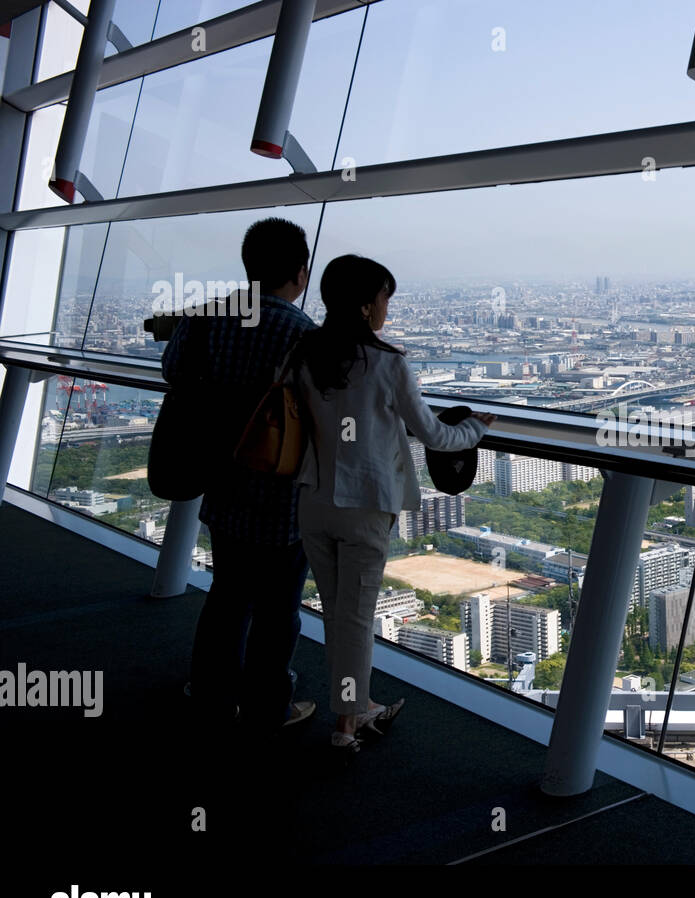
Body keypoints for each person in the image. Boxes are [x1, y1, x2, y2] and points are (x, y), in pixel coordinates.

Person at [293, 254, 495, 755]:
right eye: (384, 298)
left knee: (337, 614)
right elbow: (435, 434)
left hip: (313, 500)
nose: (387, 308)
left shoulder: (304, 355)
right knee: (355, 618)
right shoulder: (387, 363)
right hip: (364, 507)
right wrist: (478, 427)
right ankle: (348, 722)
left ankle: (352, 708)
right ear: (365, 306)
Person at [161, 217, 319, 734]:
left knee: (227, 597)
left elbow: (174, 373)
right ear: (301, 273)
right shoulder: (302, 334)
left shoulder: (209, 316)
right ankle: (266, 707)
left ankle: (210, 694)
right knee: (278, 612)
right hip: (282, 494)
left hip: (220, 478)